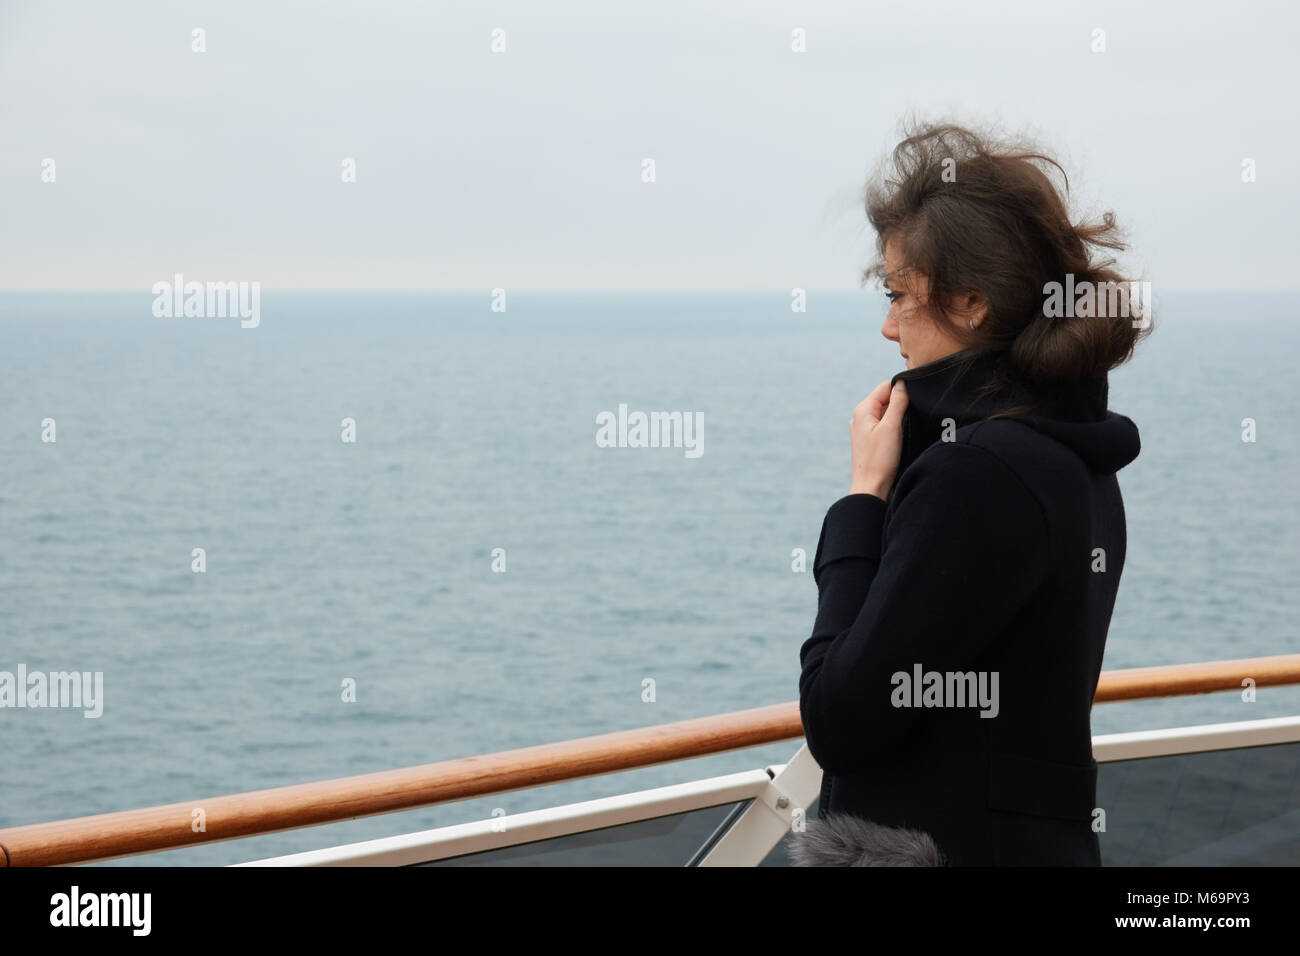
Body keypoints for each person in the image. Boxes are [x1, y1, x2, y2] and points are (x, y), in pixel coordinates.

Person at [792, 122, 1150, 866]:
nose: (888, 328)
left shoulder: (974, 474)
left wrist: (860, 501)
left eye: (897, 295)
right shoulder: (1077, 455)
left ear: (972, 303)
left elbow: (840, 720)